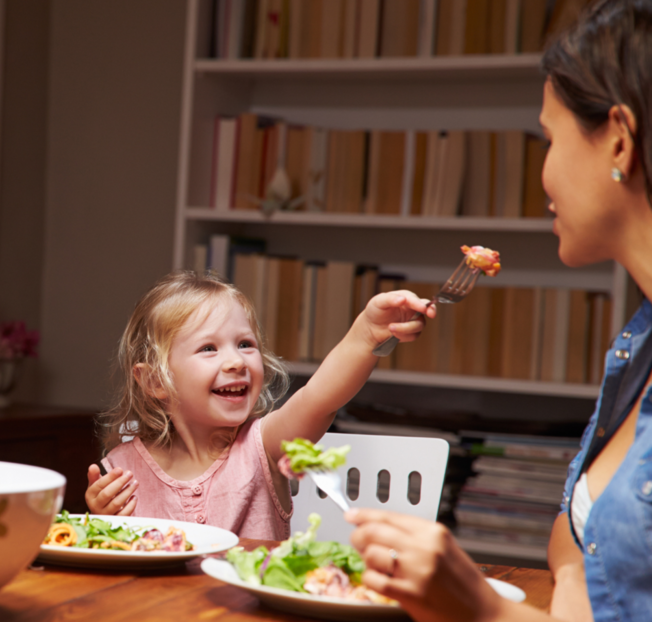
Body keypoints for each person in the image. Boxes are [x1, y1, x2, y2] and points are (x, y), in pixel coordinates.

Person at [347, 2, 652, 621]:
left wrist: (482, 610)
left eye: (549, 138)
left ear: (618, 138)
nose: (542, 177)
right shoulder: (636, 345)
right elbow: (577, 563)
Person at [84, 270, 434, 539]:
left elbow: (320, 398)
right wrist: (103, 521)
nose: (236, 361)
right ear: (156, 381)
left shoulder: (264, 446)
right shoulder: (122, 469)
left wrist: (366, 334)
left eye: (245, 344)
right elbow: (113, 561)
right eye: (209, 348)